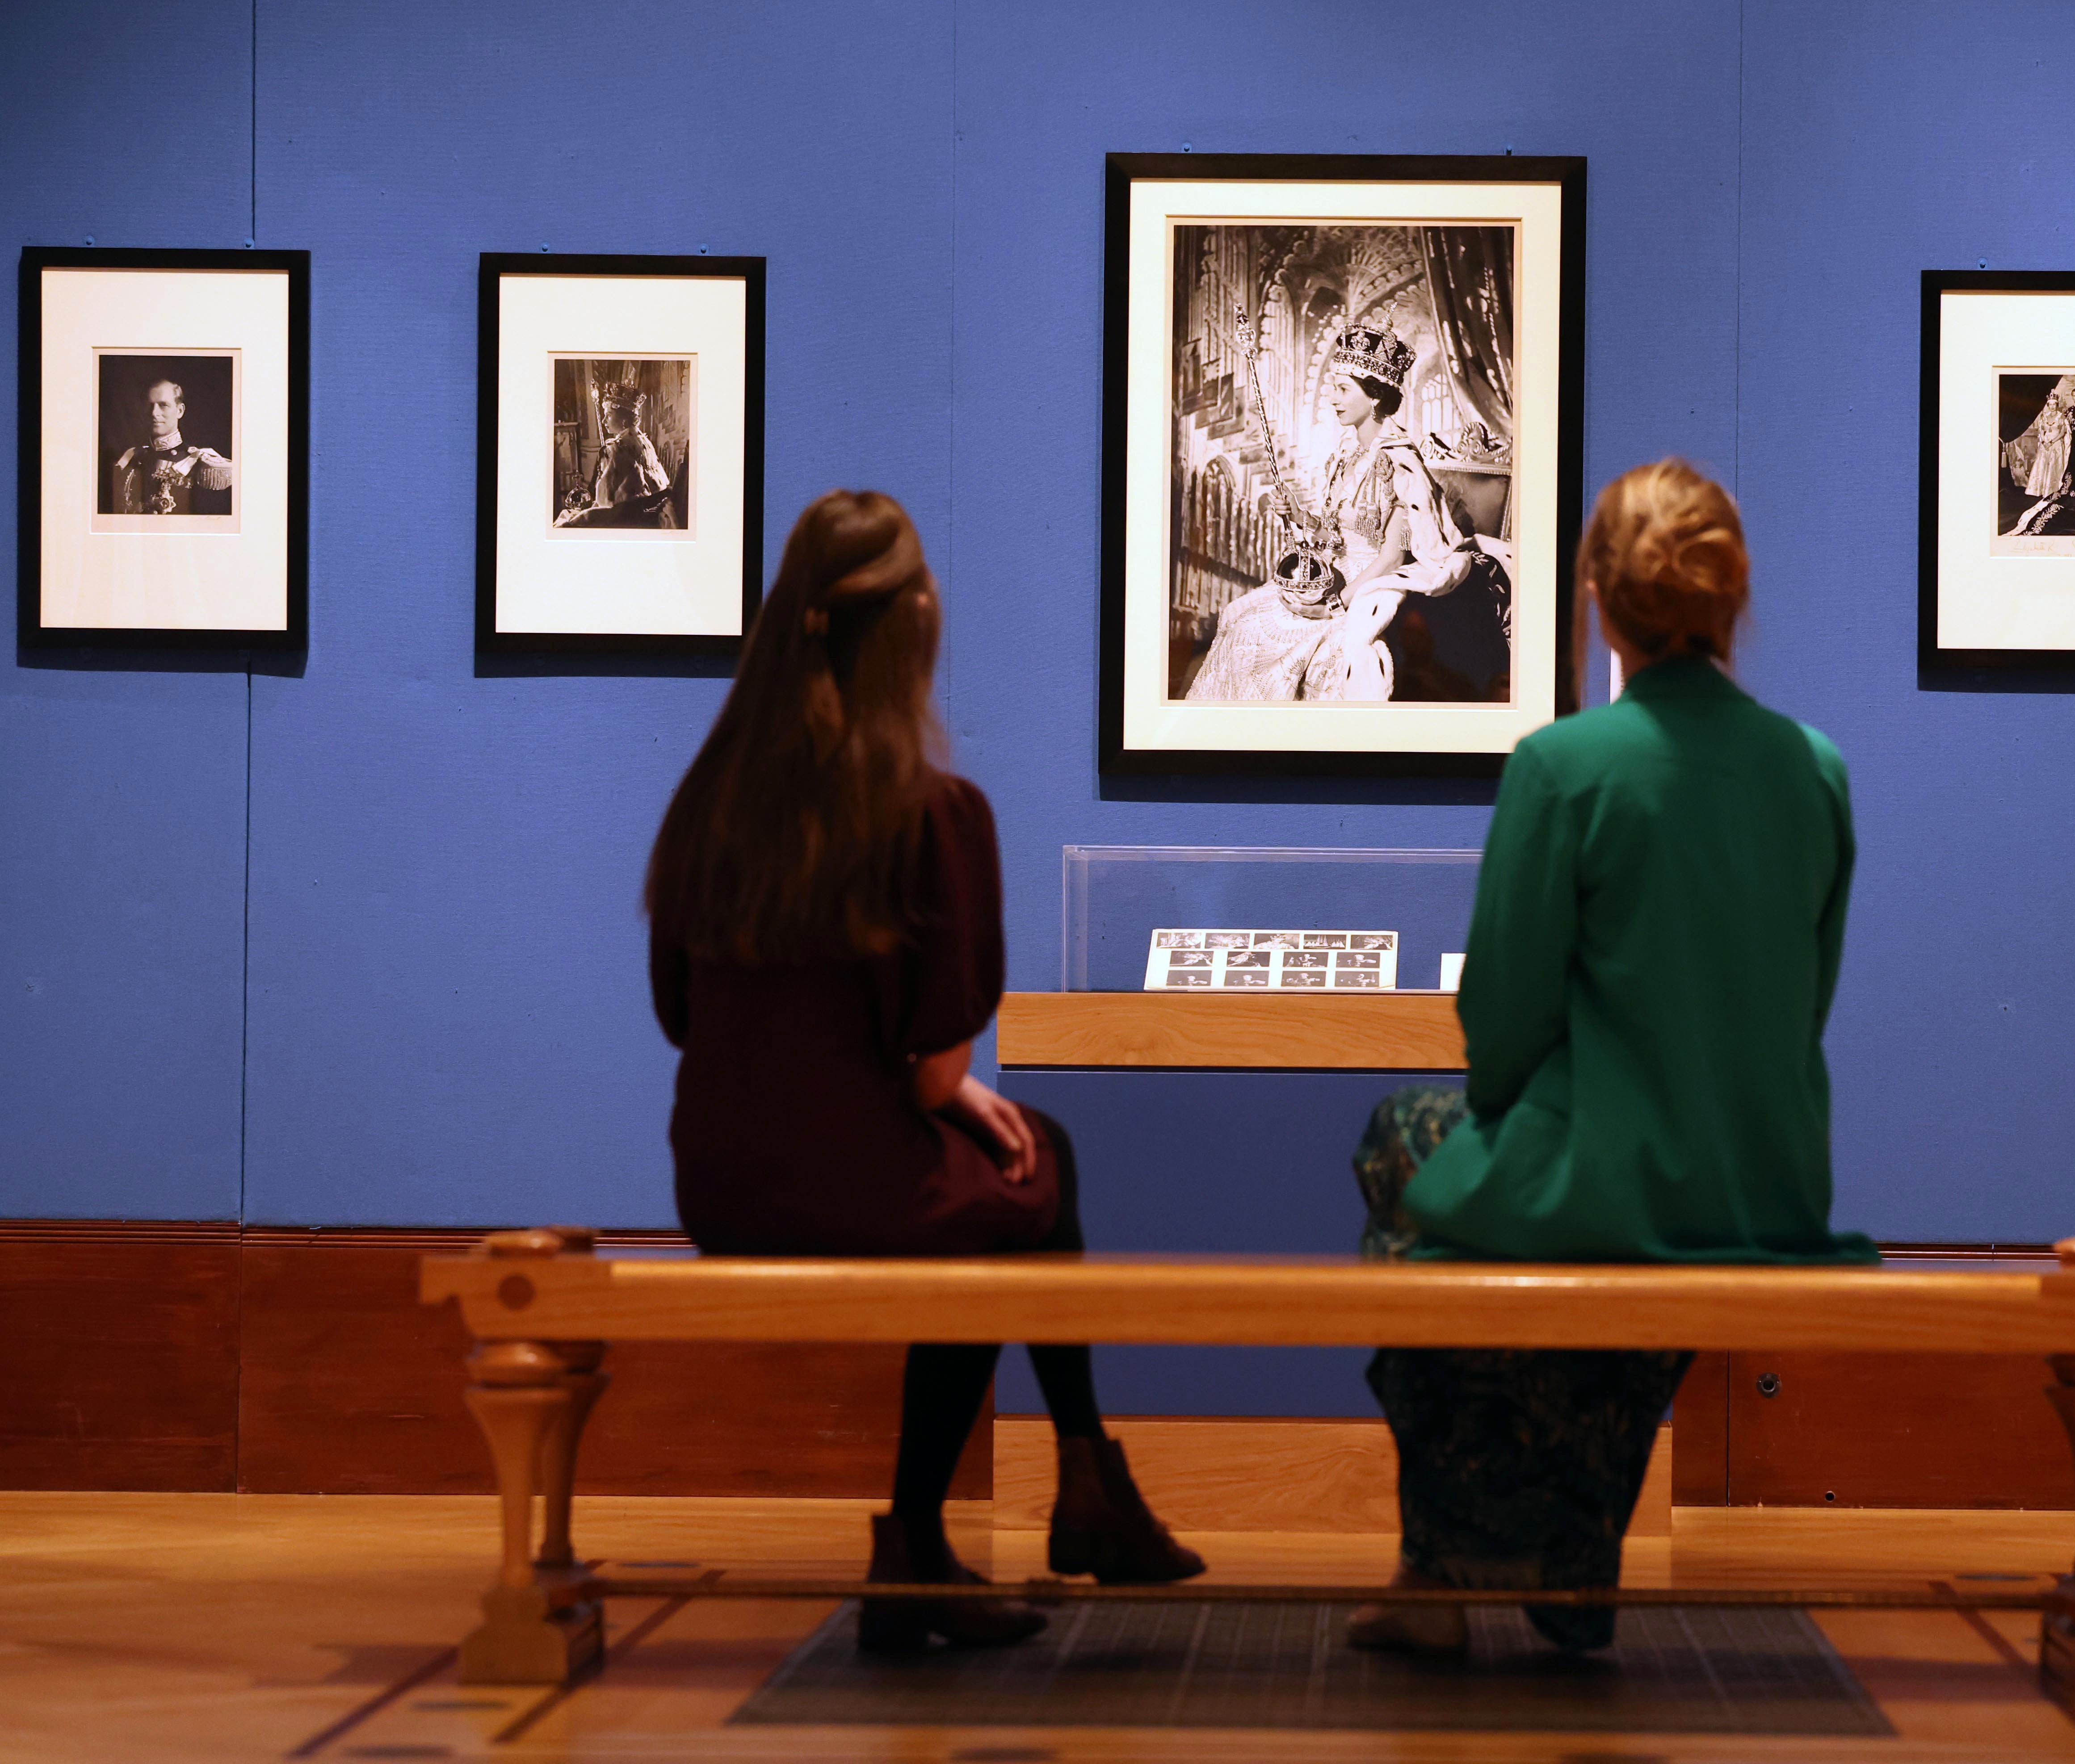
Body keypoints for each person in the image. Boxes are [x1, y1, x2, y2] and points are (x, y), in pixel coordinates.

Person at [646, 490, 1201, 1654]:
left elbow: (680, 1017)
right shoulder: (930, 811)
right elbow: (938, 1052)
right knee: (1029, 1173)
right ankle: (1016, 1506)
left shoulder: (708, 805)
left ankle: (1029, 1509)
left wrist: (931, 1093)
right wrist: (951, 1093)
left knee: (1009, 1167)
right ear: (916, 624)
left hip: (716, 1182)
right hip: (851, 1179)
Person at [1346, 460, 1876, 1658]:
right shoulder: (1817, 772)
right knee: (1589, 1250)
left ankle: (1441, 1565)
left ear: (1597, 595)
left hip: (1612, 1167)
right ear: (1733, 599)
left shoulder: (1564, 767)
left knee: (1403, 1150)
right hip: (1767, 1181)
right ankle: (1575, 1547)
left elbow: (1502, 1032)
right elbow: (1805, 1004)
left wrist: (1504, 1110)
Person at [1184, 323, 1478, 701]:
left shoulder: (1401, 465)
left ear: (1374, 397)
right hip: (1327, 575)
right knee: (1239, 616)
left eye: (1342, 390)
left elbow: (1392, 558)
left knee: (1270, 640)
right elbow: (1332, 532)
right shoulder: (1346, 456)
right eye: (1334, 389)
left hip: (1366, 585)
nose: (1334, 399)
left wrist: (1334, 606)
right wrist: (1299, 514)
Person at [109, 378, 233, 514]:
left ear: (180, 411)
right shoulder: (131, 457)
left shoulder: (199, 463)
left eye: (163, 405)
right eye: (150, 405)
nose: (154, 413)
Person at [559, 382, 673, 527]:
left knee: (567, 521)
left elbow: (605, 501)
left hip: (625, 518)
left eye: (609, 415)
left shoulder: (615, 448)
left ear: (624, 420)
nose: (604, 421)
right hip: (648, 512)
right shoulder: (645, 441)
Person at [2003, 374, 2075, 535]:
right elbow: (2042, 431)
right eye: (2050, 405)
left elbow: (2062, 432)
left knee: (2053, 467)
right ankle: (2039, 489)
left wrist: (2053, 442)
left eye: (2054, 405)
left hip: (2056, 445)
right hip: (2046, 445)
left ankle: (2051, 489)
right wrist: (2045, 441)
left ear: (2057, 405)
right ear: (2048, 405)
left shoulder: (2061, 417)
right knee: (2042, 466)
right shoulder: (2045, 416)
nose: (2052, 407)